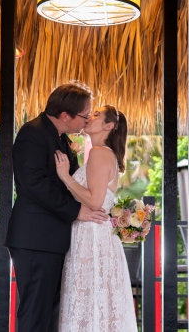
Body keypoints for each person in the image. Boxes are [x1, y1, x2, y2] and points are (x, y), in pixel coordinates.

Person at [5, 81, 110, 332]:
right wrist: (76, 211)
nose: (87, 120)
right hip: (36, 238)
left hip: (53, 238)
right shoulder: (33, 134)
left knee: (52, 313)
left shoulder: (61, 138)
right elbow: (34, 183)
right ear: (65, 116)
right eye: (85, 116)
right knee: (36, 311)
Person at [54, 105, 138, 332]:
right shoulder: (103, 153)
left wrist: (65, 177)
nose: (90, 117)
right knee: (95, 302)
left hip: (91, 236)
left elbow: (95, 201)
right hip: (92, 233)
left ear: (109, 126)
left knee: (89, 298)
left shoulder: (100, 153)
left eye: (97, 115)